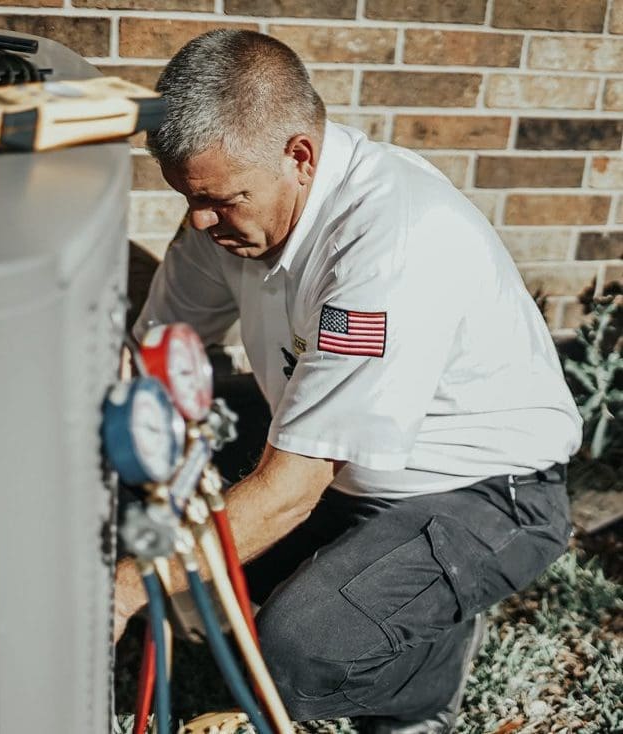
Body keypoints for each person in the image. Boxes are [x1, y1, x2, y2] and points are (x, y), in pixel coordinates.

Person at [115, 29, 582, 733]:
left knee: (300, 649)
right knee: (189, 552)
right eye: (189, 198)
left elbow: (291, 488)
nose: (201, 221)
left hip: (479, 492)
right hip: (340, 461)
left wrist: (125, 586)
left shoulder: (389, 243)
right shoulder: (230, 211)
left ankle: (421, 693)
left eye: (222, 199)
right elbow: (154, 360)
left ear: (298, 155)